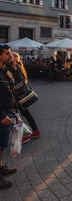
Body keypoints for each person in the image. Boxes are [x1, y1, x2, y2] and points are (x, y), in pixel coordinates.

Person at [9, 52, 41, 142]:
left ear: (15, 58)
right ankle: (35, 130)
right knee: (24, 114)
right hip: (19, 96)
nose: (9, 57)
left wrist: (13, 89)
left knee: (16, 116)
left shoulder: (15, 68)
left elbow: (20, 83)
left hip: (18, 97)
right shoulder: (16, 67)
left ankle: (24, 135)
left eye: (11, 56)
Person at [0, 44, 18, 189]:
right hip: (2, 115)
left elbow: (12, 87)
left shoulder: (5, 70)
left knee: (1, 146)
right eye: (7, 54)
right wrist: (1, 116)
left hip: (8, 111)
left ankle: (0, 168)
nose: (10, 56)